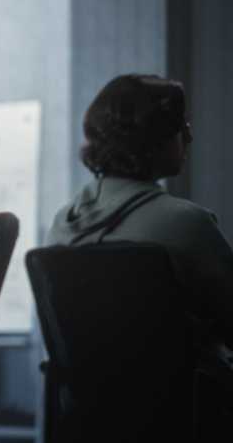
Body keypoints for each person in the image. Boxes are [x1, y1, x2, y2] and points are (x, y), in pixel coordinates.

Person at [47, 74, 233, 343]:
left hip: (90, 386)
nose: (189, 136)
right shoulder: (187, 224)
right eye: (180, 125)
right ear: (154, 139)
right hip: (182, 384)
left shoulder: (61, 224)